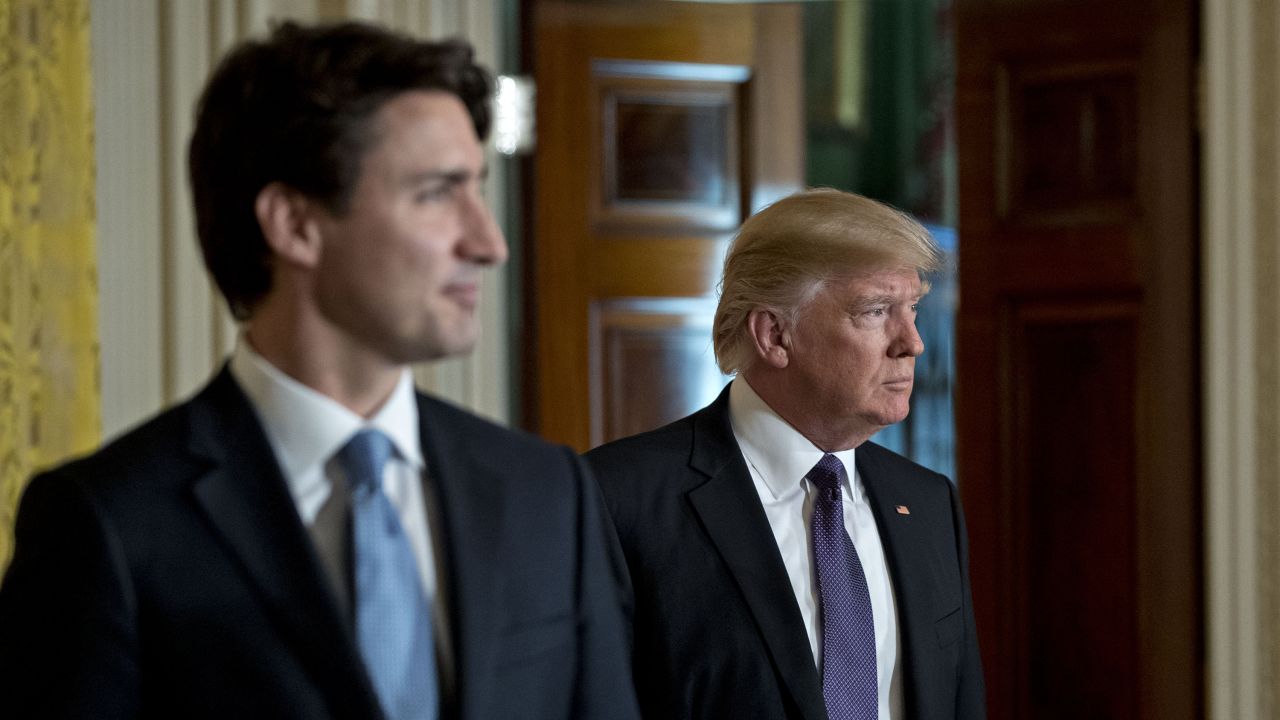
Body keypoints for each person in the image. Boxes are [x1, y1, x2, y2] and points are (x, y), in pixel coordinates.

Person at [0, 21, 638, 720]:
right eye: (436, 192)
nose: (489, 242)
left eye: (478, 189)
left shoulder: (547, 494)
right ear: (295, 225)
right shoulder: (108, 526)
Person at [586, 189, 986, 720]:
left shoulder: (928, 502)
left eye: (911, 308)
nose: (912, 342)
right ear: (775, 334)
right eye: (876, 310)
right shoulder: (616, 501)